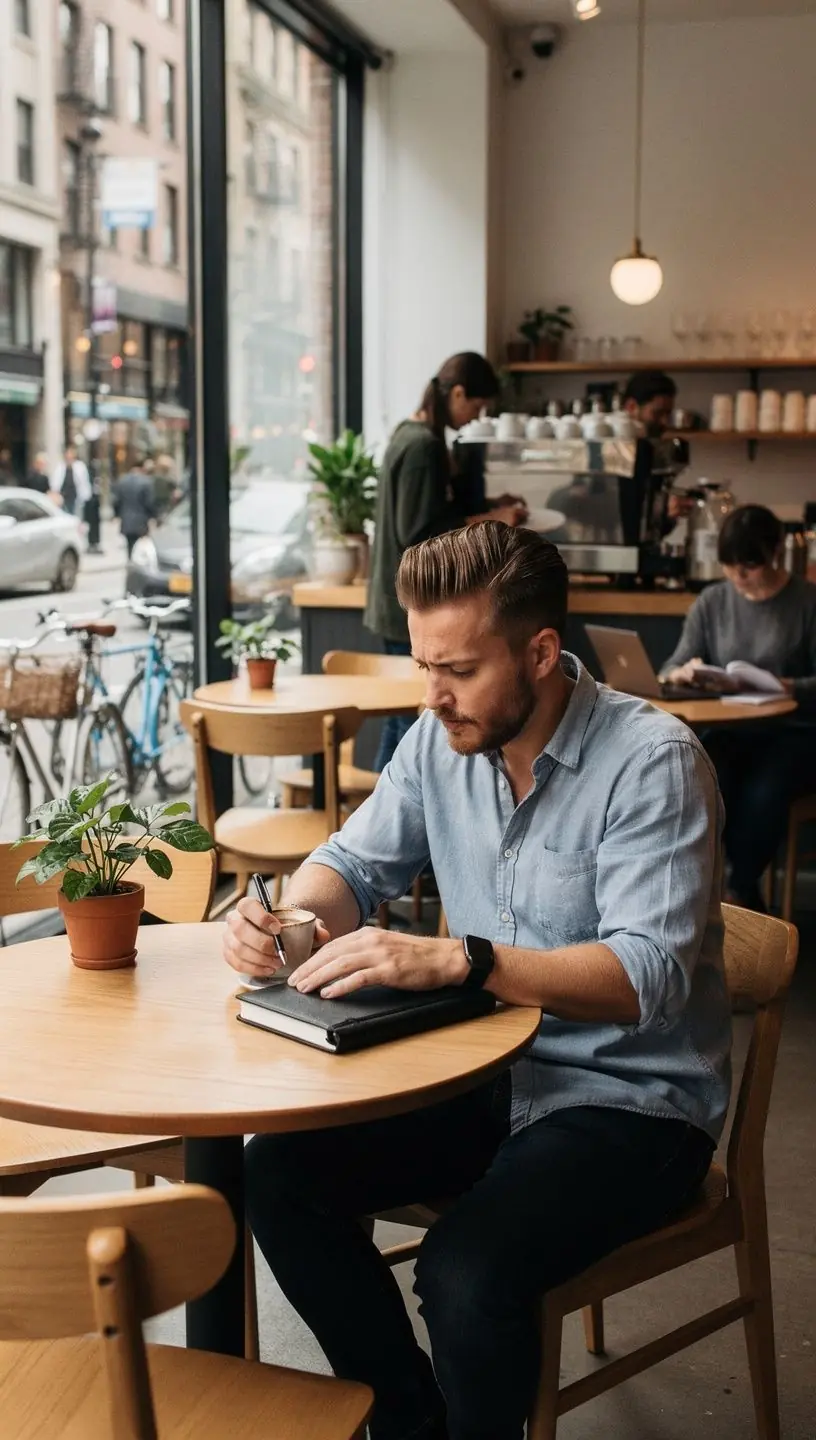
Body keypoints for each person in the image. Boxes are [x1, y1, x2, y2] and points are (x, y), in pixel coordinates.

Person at [224, 522, 731, 1440]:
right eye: (422, 666)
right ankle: (410, 1424)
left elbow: (647, 974)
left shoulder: (653, 762)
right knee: (278, 1174)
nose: (432, 696)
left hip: (635, 1102)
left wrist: (466, 959)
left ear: (540, 653)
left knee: (465, 1270)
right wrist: (289, 918)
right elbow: (350, 863)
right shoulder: (437, 740)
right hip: (488, 1074)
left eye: (455, 669)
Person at [365, 352, 527, 769]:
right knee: (410, 728)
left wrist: (491, 505)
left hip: (398, 599)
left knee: (401, 721)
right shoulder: (422, 446)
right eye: (475, 405)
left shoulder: (410, 433)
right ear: (457, 393)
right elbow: (419, 533)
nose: (475, 415)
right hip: (414, 603)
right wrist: (494, 519)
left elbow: (430, 511)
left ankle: (388, 823)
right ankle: (397, 824)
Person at [662, 503, 816, 911]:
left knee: (763, 792)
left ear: (774, 552)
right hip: (730, 728)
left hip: (793, 730)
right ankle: (705, 893)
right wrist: (682, 673)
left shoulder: (807, 602)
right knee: (699, 779)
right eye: (729, 566)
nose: (738, 577)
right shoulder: (713, 601)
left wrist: (790, 686)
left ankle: (739, 890)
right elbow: (674, 663)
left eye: (748, 566)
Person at [113, 460, 157, 559]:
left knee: (129, 544)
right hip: (141, 519)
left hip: (126, 519)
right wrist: (153, 516)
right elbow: (149, 502)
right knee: (141, 545)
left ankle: (130, 559)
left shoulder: (122, 481)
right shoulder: (146, 482)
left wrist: (117, 515)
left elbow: (116, 501)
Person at [51, 444, 91, 517]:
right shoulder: (60, 467)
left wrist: (86, 494)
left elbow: (84, 482)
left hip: (76, 497)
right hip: (63, 497)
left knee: (76, 516)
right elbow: (55, 482)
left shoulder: (80, 467)